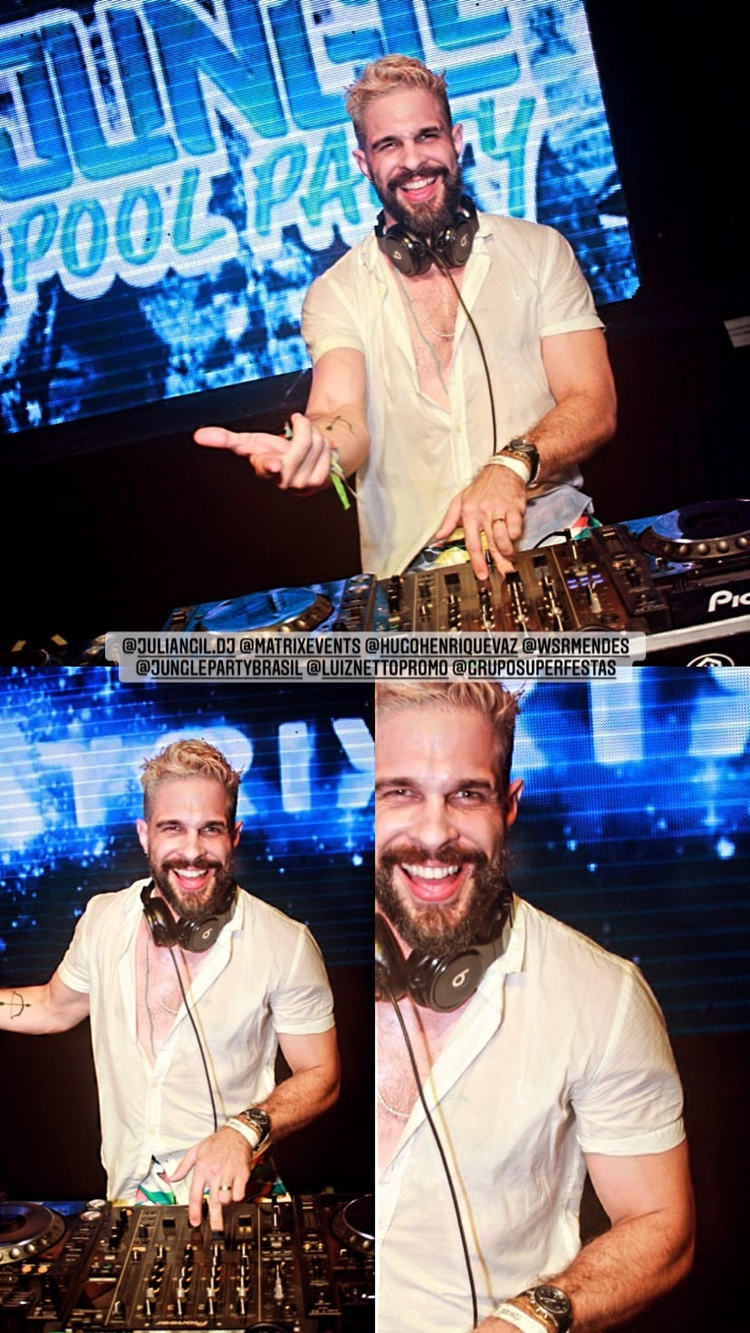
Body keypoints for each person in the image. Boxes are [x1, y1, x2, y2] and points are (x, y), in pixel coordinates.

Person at [195, 55, 616, 582]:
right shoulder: (336, 293)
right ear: (363, 162)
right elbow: (340, 412)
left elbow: (592, 402)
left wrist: (510, 464)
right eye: (389, 145)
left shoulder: (540, 252)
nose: (413, 160)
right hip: (416, 579)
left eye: (427, 136)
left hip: (552, 542)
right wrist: (319, 452)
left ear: (456, 140)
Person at [374, 682, 694, 1333]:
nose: (434, 832)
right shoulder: (307, 958)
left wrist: (524, 1321)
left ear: (509, 805)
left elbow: (660, 1224)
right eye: (400, 792)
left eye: (467, 794)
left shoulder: (601, 994)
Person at [0, 739, 339, 1229]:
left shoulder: (285, 944)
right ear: (145, 835)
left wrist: (244, 1130)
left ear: (234, 835)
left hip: (233, 1199)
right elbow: (53, 1006)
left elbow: (321, 1074)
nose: (193, 851)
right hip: (128, 1195)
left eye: (210, 829)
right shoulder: (103, 920)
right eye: (172, 828)